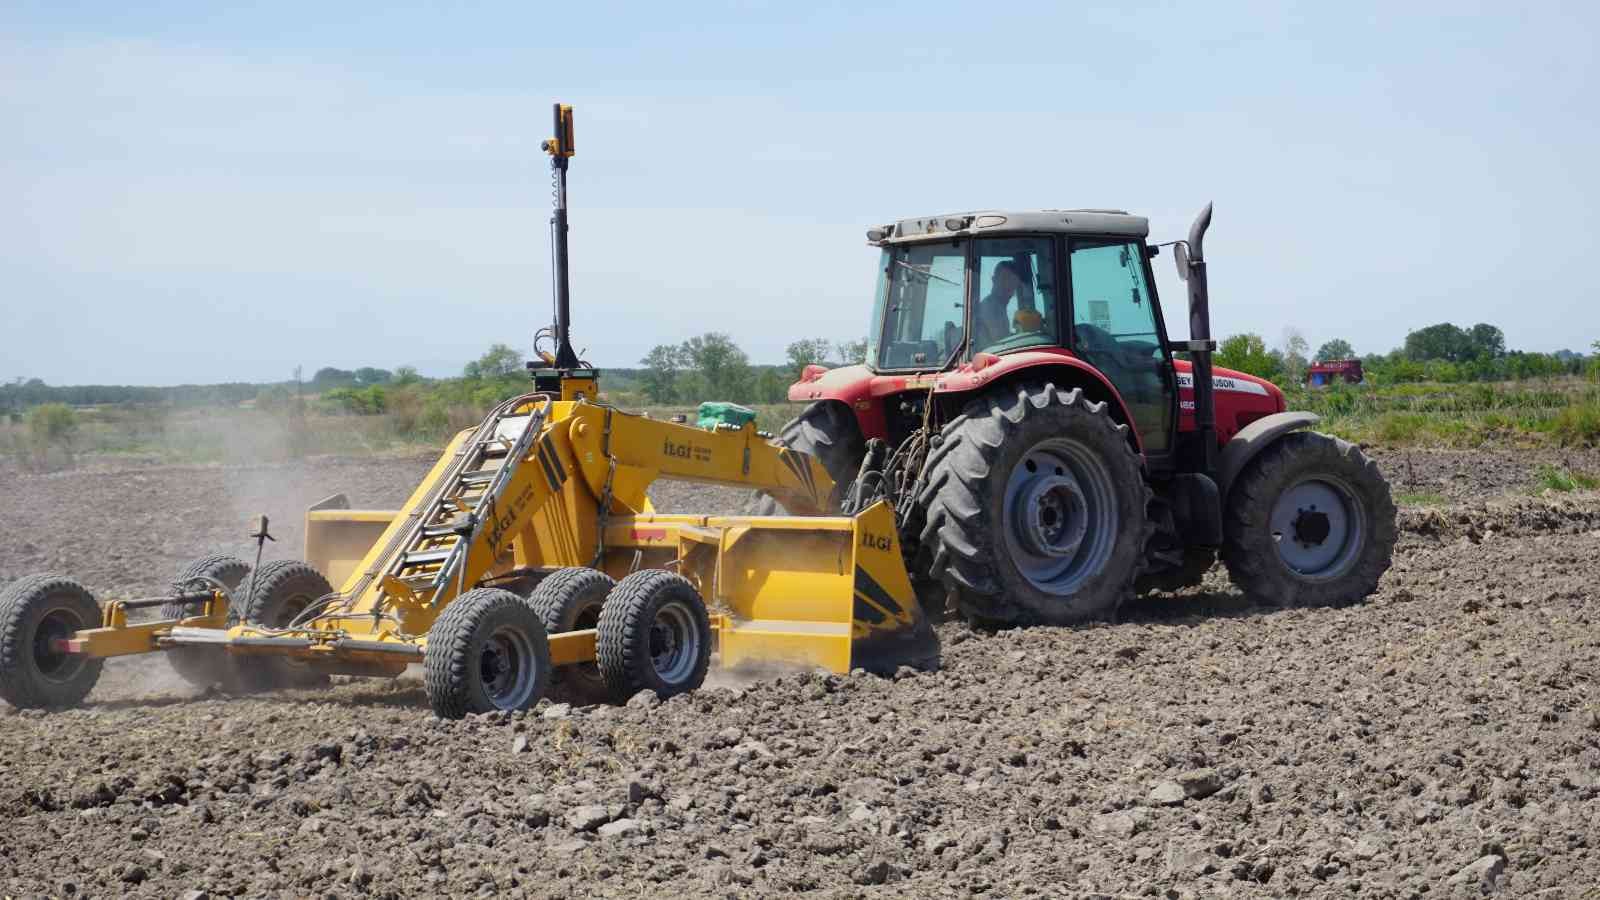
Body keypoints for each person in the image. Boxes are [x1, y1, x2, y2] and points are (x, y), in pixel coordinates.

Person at [973, 261, 1022, 350]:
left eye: (1012, 280)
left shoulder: (999, 307)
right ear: (994, 280)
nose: (1008, 284)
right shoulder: (990, 308)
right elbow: (1000, 344)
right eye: (1004, 279)